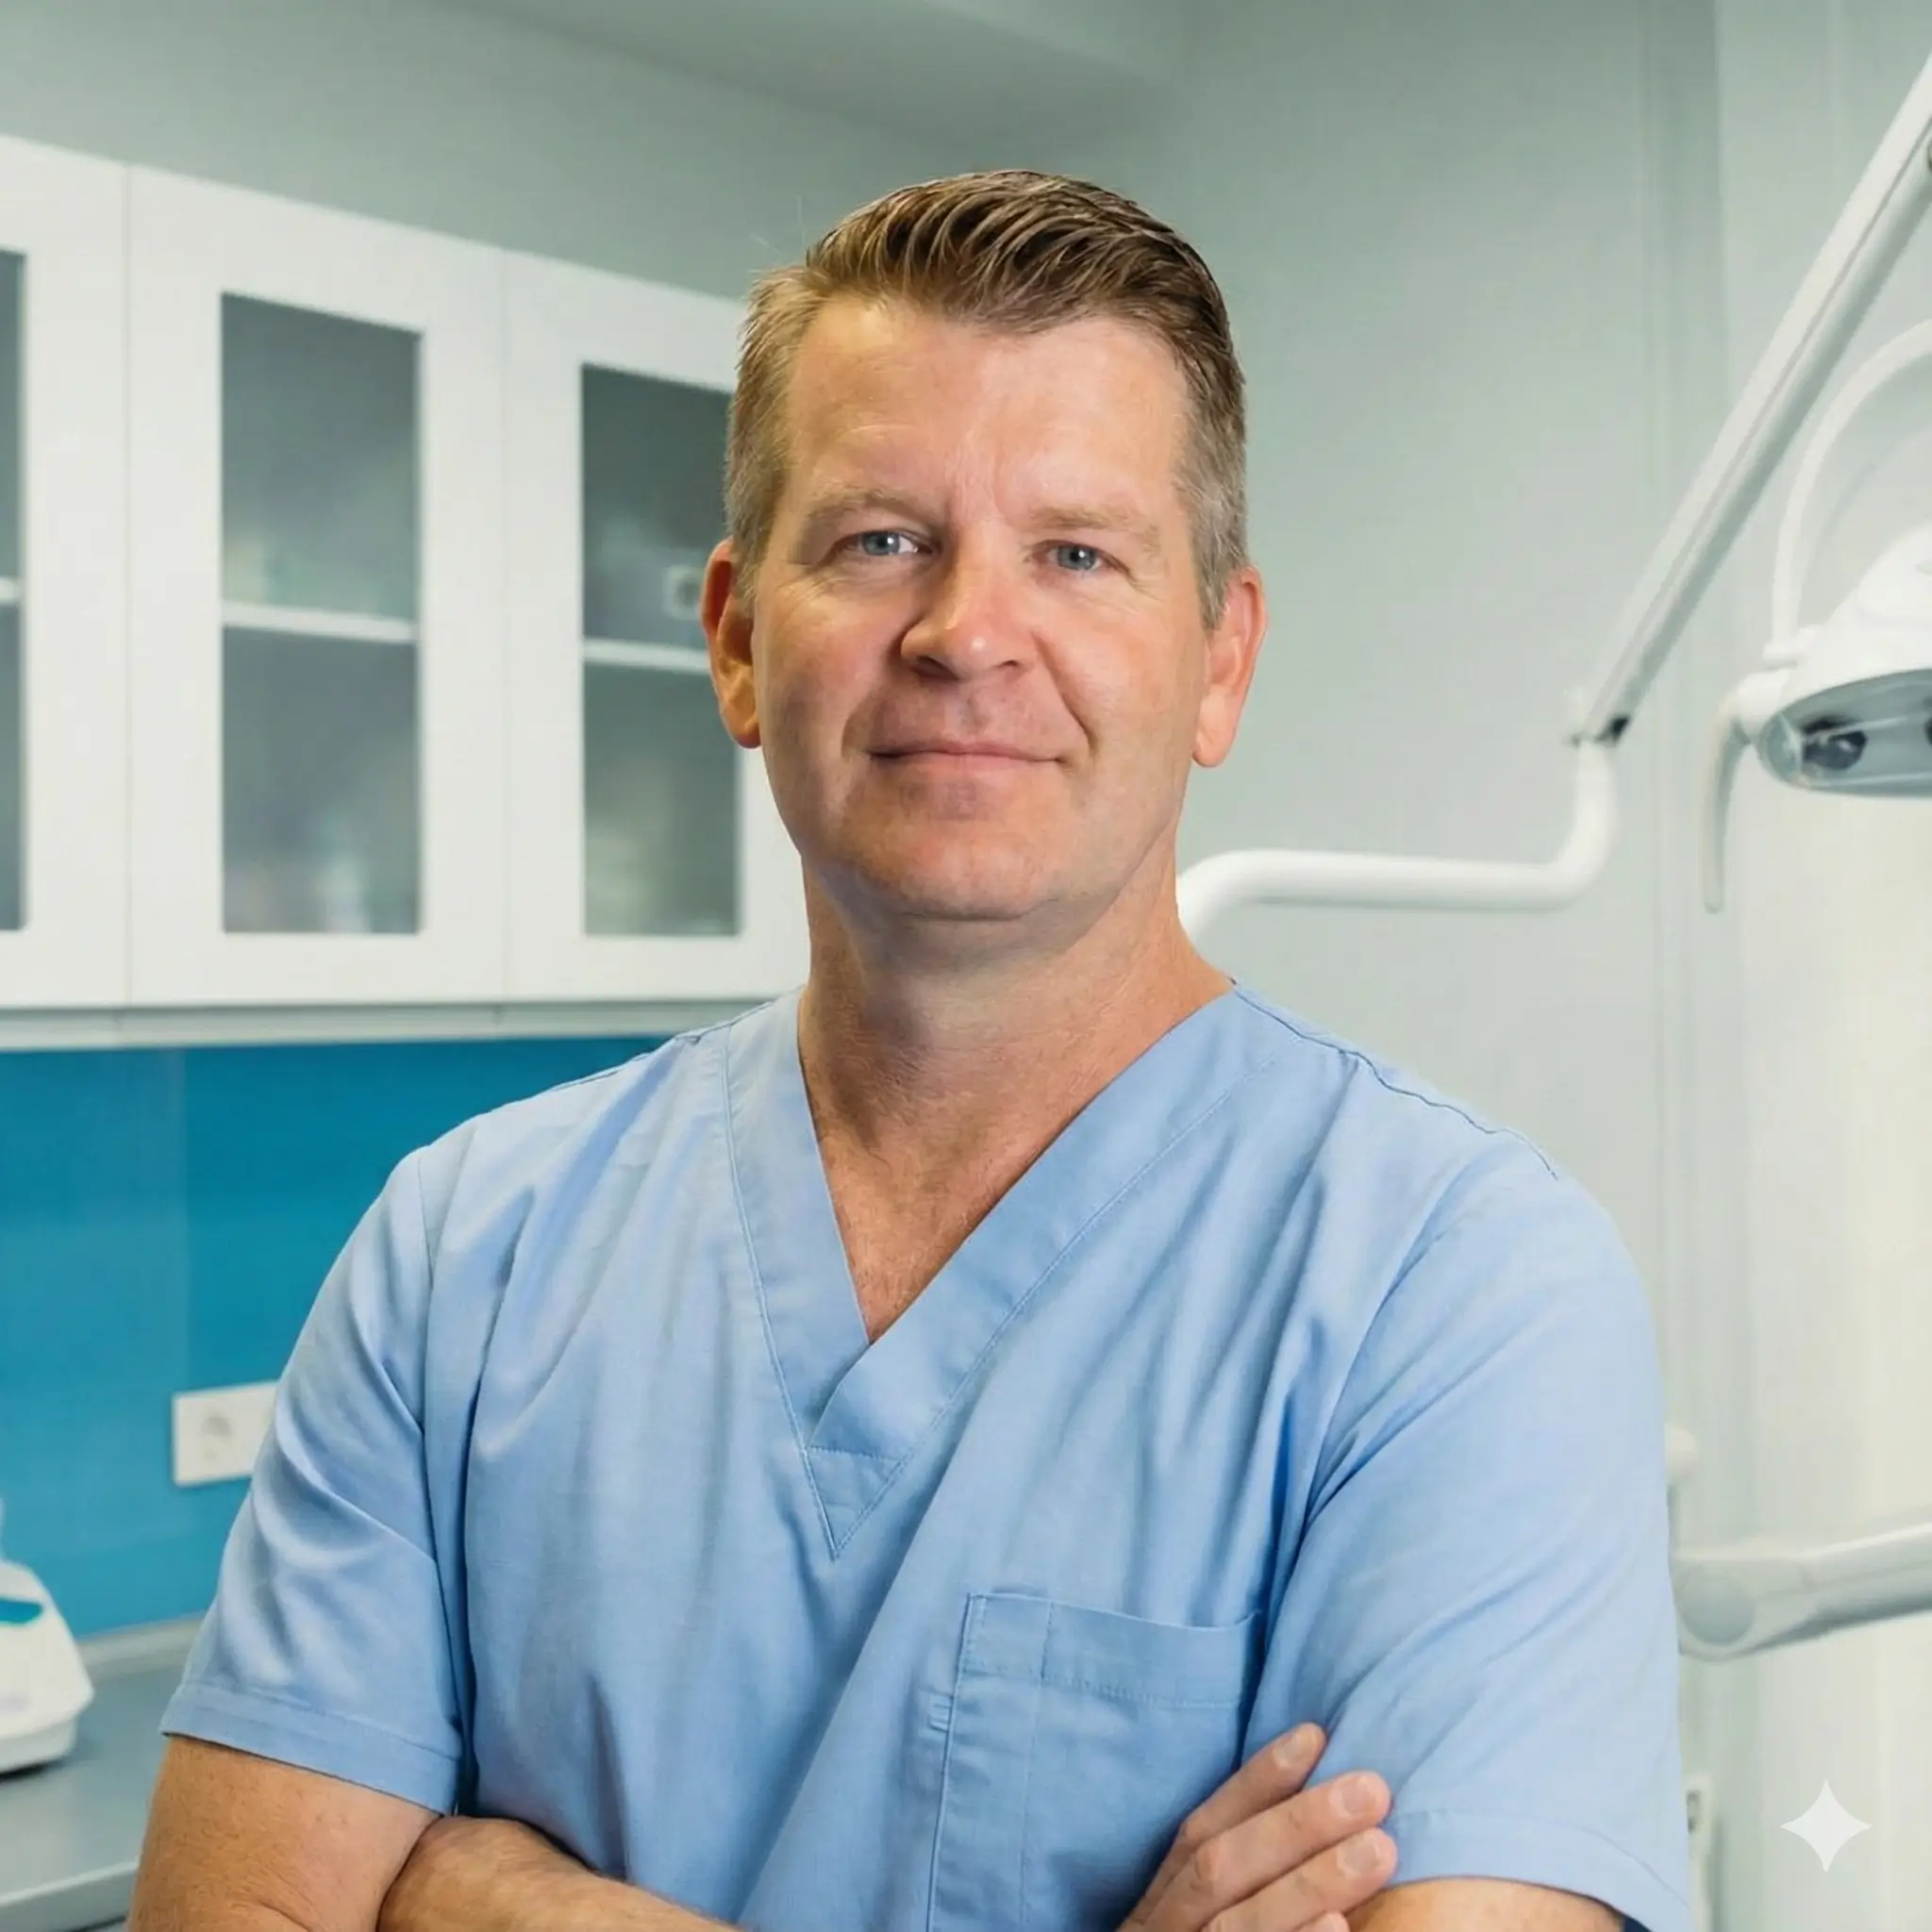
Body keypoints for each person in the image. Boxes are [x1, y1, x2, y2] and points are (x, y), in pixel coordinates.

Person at [128, 170, 1692, 1932]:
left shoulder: (1459, 1289)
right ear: (734, 638)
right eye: (881, 539)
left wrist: (480, 1898)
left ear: (1221, 660)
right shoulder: (461, 1256)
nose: (966, 635)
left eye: (1079, 554)